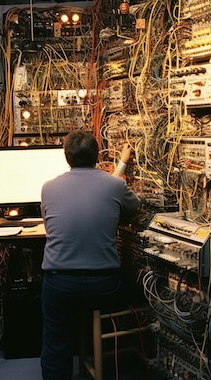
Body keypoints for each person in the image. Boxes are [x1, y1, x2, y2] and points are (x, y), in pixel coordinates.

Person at [39, 130, 140, 380]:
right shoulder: (116, 185)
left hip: (60, 286)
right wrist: (123, 164)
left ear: (67, 156)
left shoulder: (48, 188)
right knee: (141, 285)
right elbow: (133, 205)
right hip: (104, 287)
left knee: (55, 339)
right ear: (97, 155)